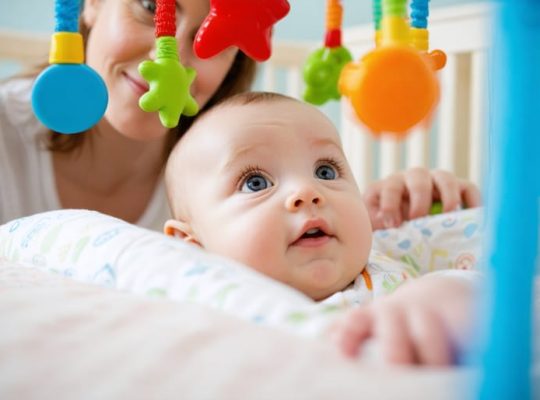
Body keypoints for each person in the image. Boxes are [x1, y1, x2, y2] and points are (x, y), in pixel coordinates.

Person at [163, 91, 482, 366]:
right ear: (191, 246)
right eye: (255, 182)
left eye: (326, 171)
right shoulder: (210, 309)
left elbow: (492, 273)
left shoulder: (392, 250)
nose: (308, 190)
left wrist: (441, 291)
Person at [0, 0, 256, 231]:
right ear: (93, 4)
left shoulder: (240, 188)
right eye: (151, 7)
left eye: (217, 35)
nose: (170, 61)